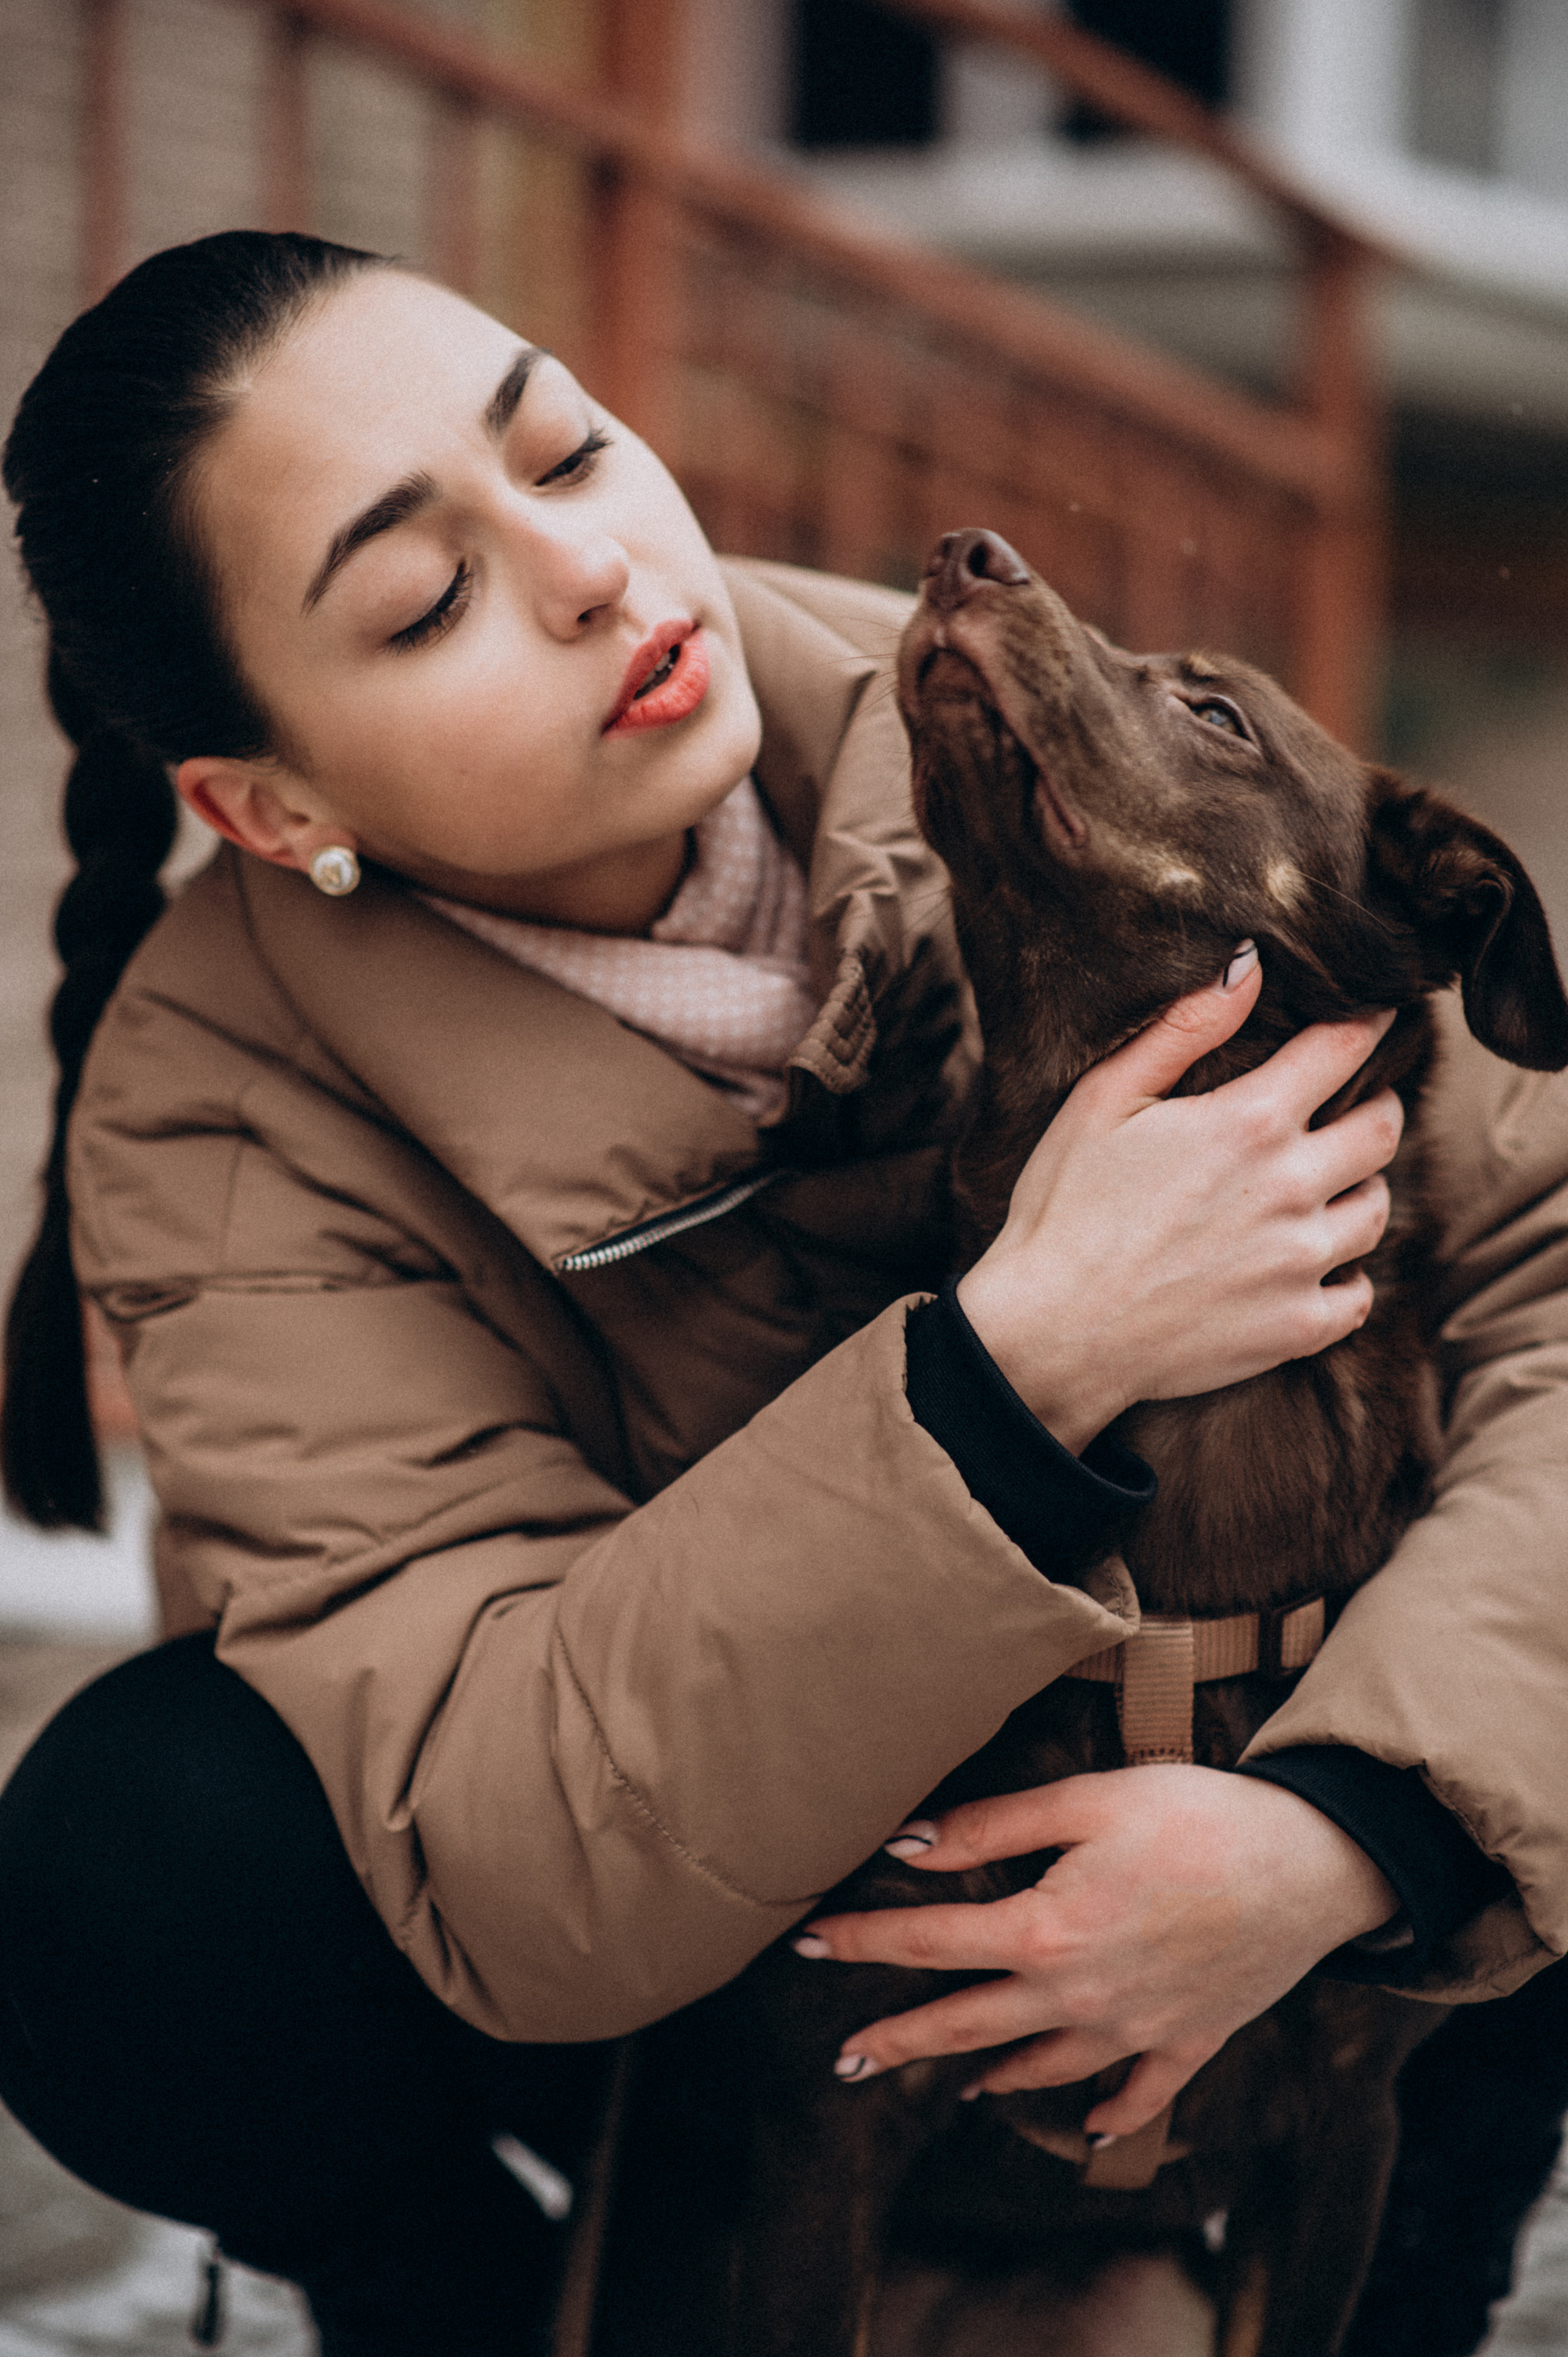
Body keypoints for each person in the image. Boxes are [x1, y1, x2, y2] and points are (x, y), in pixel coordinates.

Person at [0, 229, 1564, 2356]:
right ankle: (488, 2303)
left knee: (1524, 1698)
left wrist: (1342, 1842)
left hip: (1283, 1865)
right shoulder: (228, 1114)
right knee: (138, 1873)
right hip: (696, 1960)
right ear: (269, 807)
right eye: (424, 596)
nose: (583, 571)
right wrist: (1024, 1361)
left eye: (560, 449)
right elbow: (509, 1837)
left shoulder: (1020, 739)